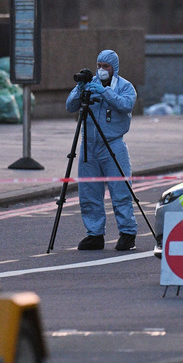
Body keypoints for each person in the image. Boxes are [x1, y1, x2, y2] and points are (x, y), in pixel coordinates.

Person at [66, 49, 138, 251]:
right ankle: (95, 234)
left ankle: (127, 233)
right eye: (99, 65)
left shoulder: (125, 86)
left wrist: (105, 92)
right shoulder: (90, 84)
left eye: (105, 66)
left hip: (113, 143)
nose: (101, 70)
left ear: (114, 68)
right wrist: (80, 88)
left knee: (121, 190)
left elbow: (125, 105)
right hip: (89, 144)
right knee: (89, 192)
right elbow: (70, 106)